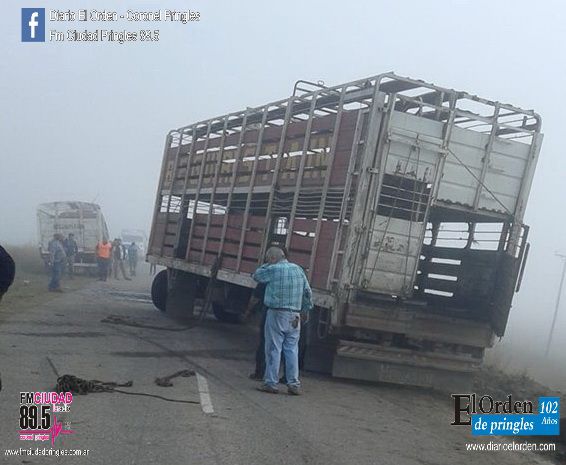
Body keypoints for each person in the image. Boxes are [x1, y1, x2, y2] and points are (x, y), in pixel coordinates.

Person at [252, 246, 313, 395]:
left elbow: (257, 275)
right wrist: (305, 310)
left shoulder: (273, 270)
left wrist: (268, 264)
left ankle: (271, 383)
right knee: (292, 349)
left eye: (268, 259)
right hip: (295, 315)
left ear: (272, 259)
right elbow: (307, 292)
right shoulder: (299, 270)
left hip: (277, 313)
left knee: (274, 348)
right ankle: (293, 384)